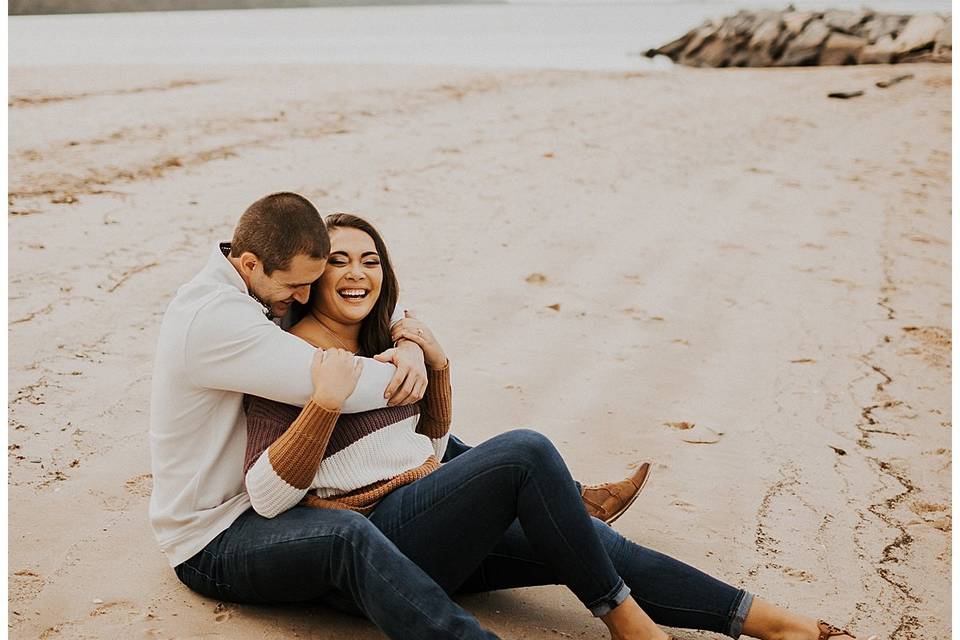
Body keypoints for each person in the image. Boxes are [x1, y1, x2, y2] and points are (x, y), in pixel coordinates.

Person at [237, 213, 875, 640]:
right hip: (378, 548)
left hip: (430, 525)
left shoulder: (388, 346)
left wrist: (438, 364)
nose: (357, 274)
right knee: (524, 452)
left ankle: (774, 624)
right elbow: (269, 497)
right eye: (340, 261)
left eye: (370, 260)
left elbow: (428, 448)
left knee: (593, 544)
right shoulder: (292, 360)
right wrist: (323, 402)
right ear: (314, 274)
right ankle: (630, 625)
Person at [150, 193, 648, 639]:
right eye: (297, 287)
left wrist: (406, 338)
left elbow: (371, 299)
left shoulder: (263, 282)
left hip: (255, 506)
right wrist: (417, 369)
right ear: (252, 264)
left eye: (308, 284)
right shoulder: (216, 321)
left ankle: (717, 604)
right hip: (216, 533)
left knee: (441, 449)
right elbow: (336, 384)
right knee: (360, 515)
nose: (301, 299)